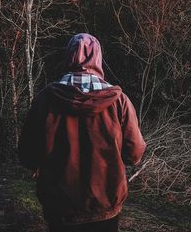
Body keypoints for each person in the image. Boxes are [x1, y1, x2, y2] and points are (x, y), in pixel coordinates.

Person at [18, 33, 146, 232]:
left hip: (59, 207)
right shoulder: (119, 101)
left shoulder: (45, 99)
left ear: (68, 57)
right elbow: (134, 154)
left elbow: (28, 155)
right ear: (98, 59)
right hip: (105, 208)